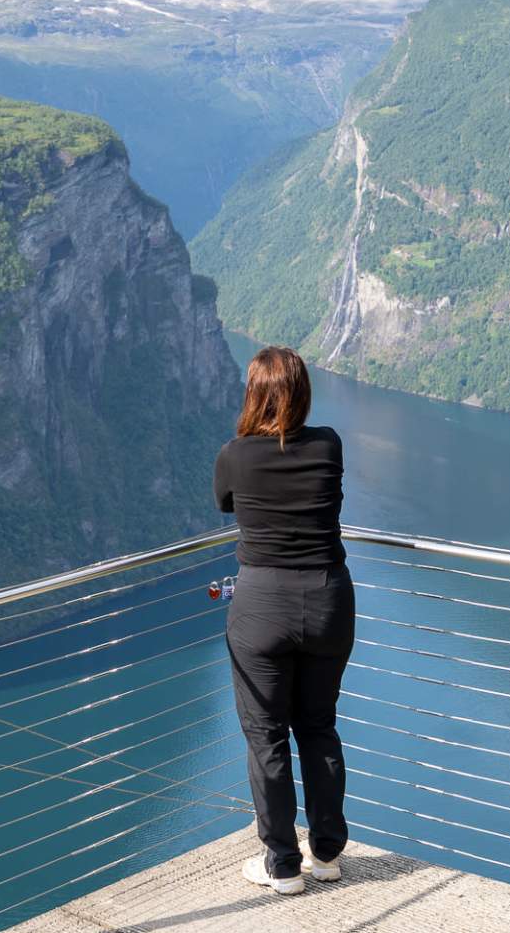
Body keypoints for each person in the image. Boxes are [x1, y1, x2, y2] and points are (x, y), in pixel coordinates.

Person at [213, 345, 352, 896]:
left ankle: (282, 864)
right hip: (327, 600)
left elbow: (226, 503)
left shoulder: (235, 455)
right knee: (318, 725)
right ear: (302, 393)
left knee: (266, 736)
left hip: (261, 605)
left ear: (254, 394)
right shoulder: (329, 445)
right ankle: (326, 853)